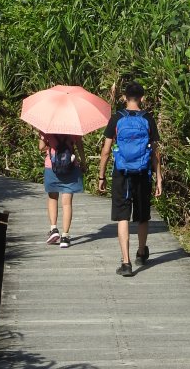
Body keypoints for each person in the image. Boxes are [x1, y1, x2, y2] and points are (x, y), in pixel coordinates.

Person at [97, 81, 163, 277]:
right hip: (143, 172)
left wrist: (101, 175)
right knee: (142, 215)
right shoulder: (148, 118)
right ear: (142, 98)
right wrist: (159, 178)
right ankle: (141, 253)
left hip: (122, 173)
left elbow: (106, 151)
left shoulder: (117, 118)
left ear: (124, 97)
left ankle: (126, 263)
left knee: (122, 216)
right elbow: (155, 153)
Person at [39, 130, 86, 247]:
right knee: (67, 203)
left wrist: (51, 146)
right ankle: (65, 236)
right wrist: (83, 162)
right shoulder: (74, 127)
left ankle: (54, 229)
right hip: (70, 166)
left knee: (52, 197)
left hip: (52, 166)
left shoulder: (46, 128)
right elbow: (79, 145)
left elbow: (41, 147)